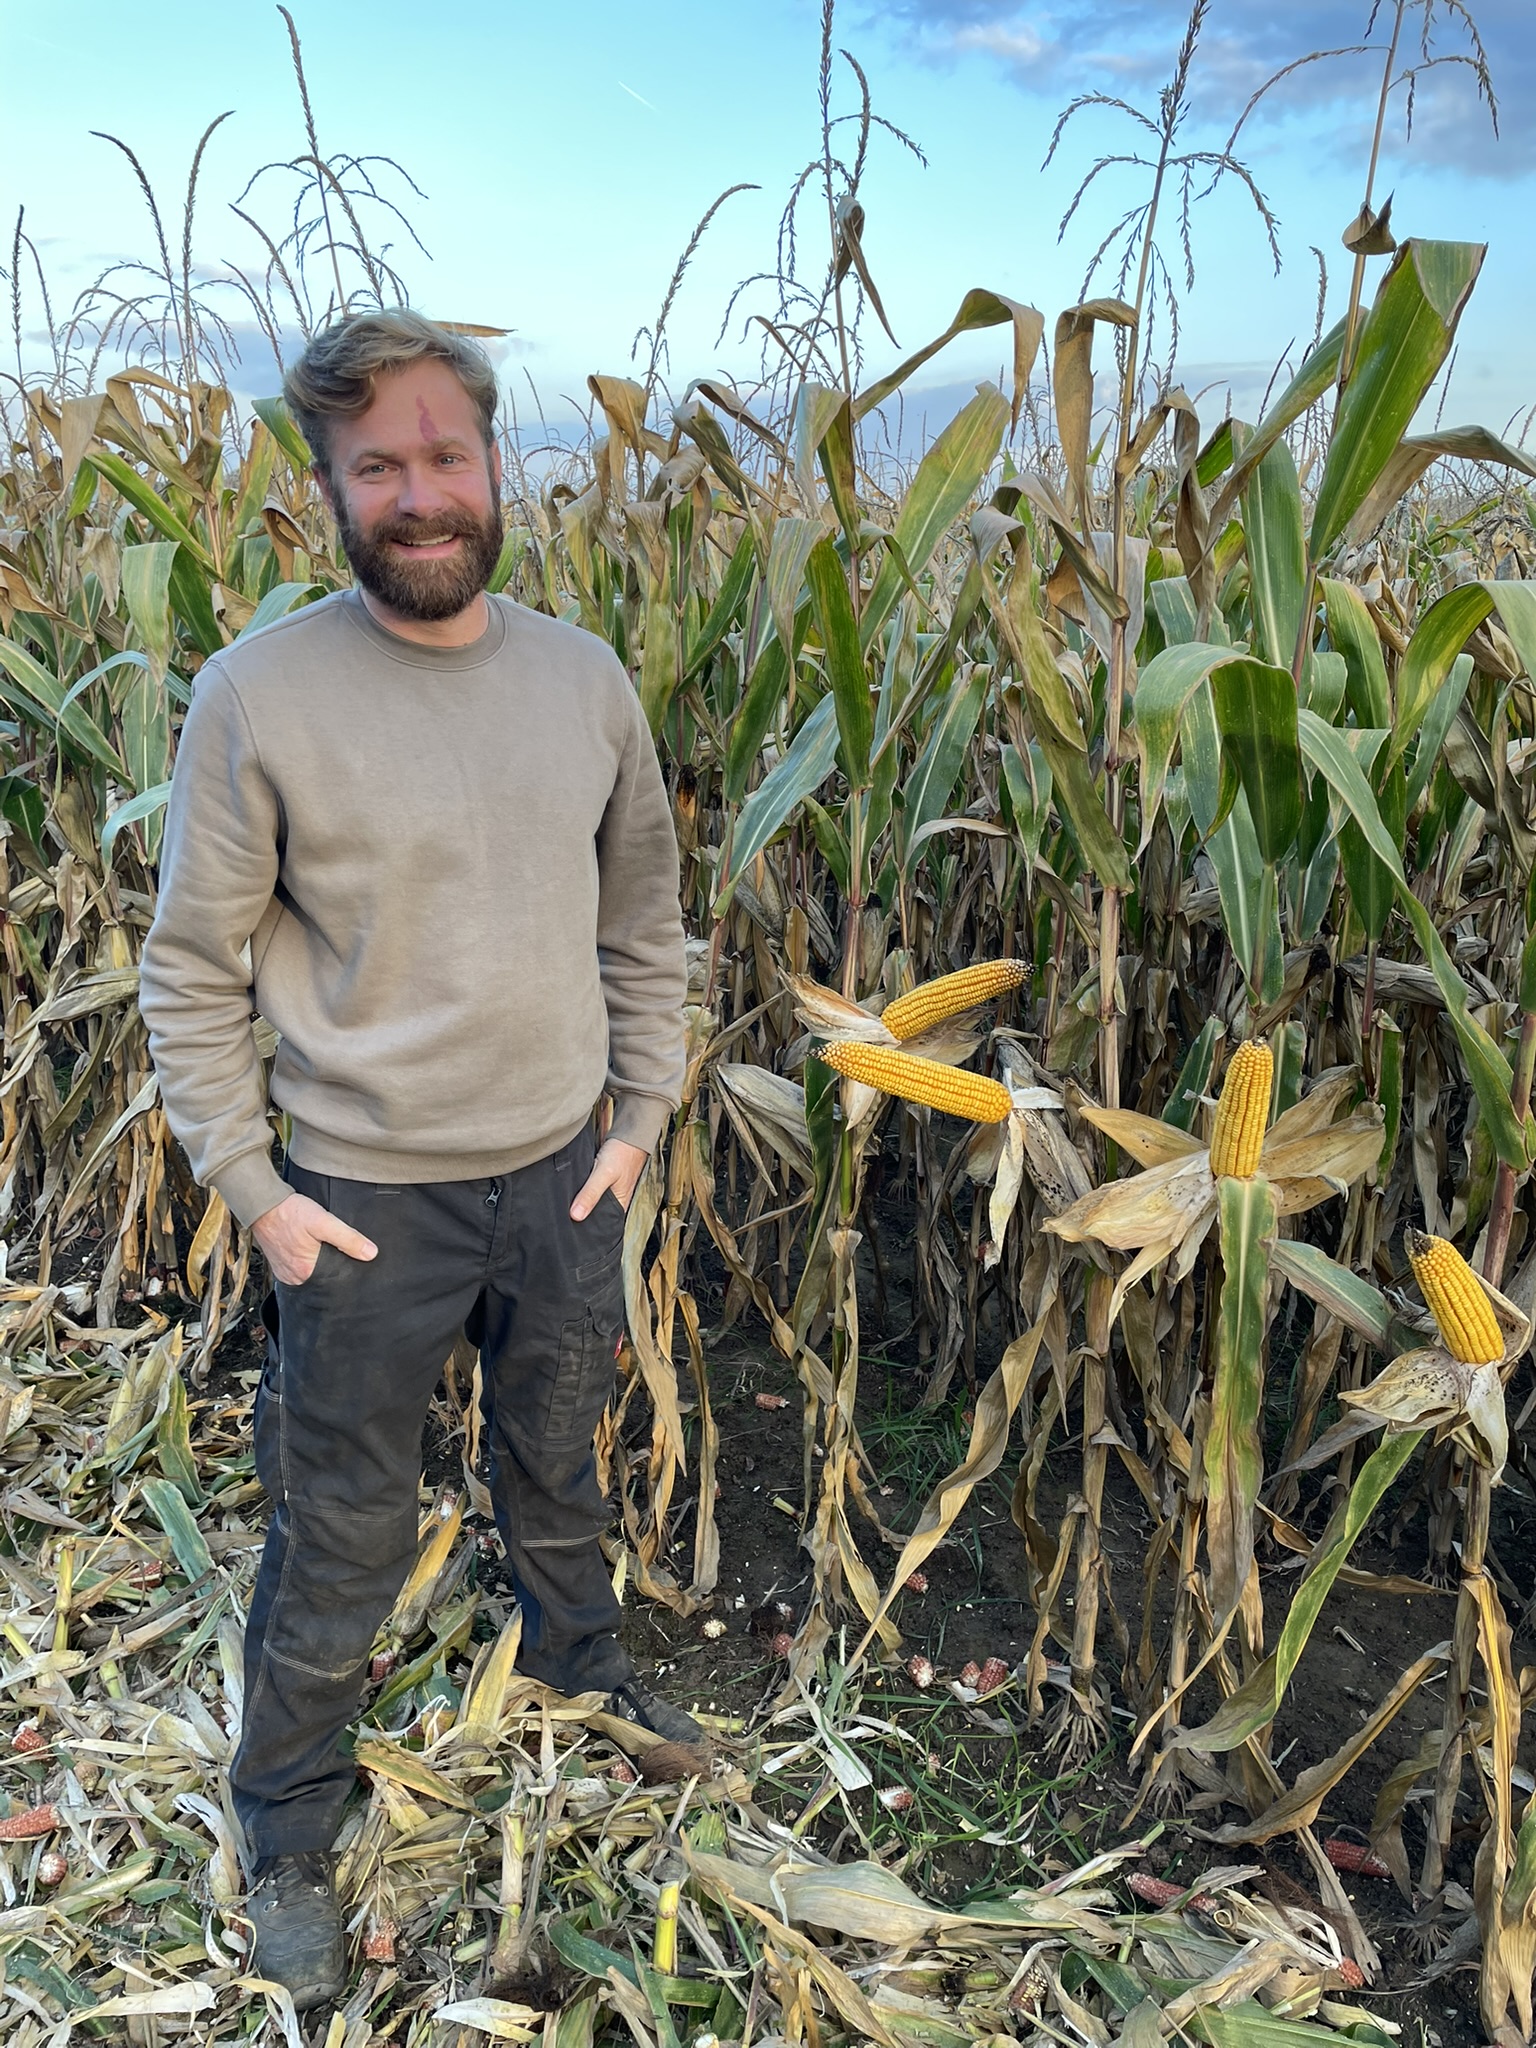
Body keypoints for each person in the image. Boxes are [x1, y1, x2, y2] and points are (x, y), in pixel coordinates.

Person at [138, 309, 698, 2012]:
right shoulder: (260, 696)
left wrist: (639, 1123)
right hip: (360, 1205)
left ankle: (581, 1673)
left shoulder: (583, 683)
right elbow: (191, 970)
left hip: (562, 1178)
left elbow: (645, 919)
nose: (420, 493)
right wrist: (260, 1194)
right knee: (344, 1526)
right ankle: (288, 1822)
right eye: (377, 465)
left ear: (494, 463)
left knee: (557, 1457)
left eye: (445, 454)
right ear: (329, 488)